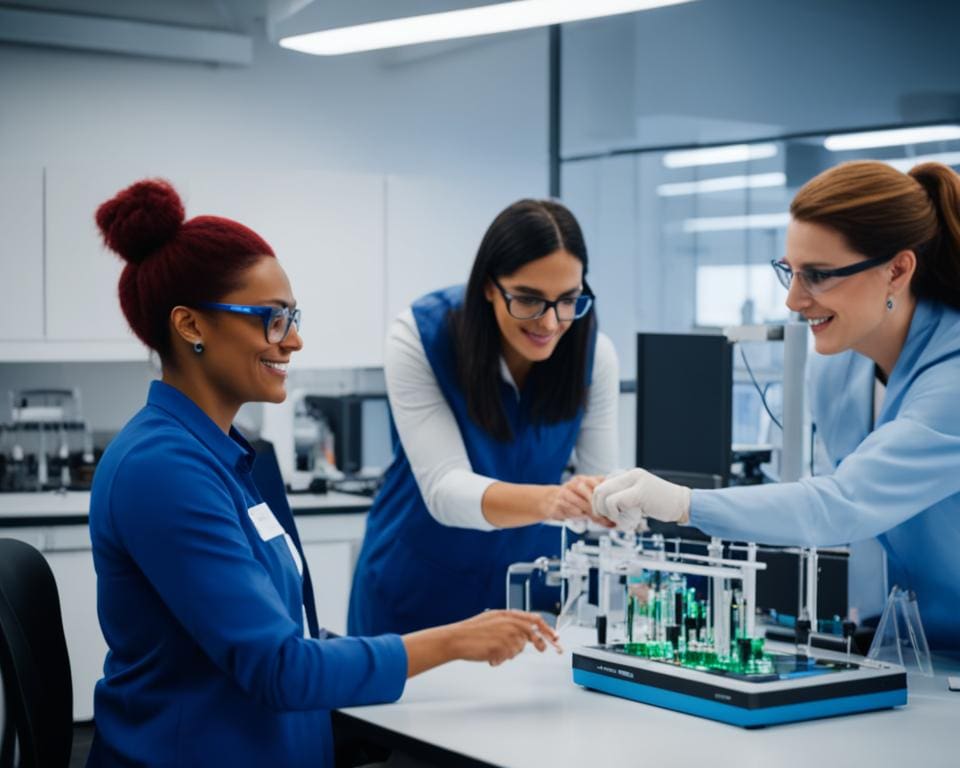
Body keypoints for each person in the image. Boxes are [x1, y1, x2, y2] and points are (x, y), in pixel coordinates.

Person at [87, 179, 560, 767]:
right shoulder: (161, 470)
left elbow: (293, 639)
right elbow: (281, 668)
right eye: (271, 319)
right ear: (190, 326)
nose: (294, 340)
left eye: (292, 317)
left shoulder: (227, 458)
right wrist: (451, 641)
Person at [593, 160, 960, 652]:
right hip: (912, 646)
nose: (793, 300)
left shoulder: (952, 380)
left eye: (819, 276)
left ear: (897, 270)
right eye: (790, 271)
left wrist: (684, 504)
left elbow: (844, 502)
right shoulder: (834, 368)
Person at [348, 199, 619, 636]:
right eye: (529, 299)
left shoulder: (594, 352)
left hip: (528, 593)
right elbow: (445, 490)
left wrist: (610, 507)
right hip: (418, 592)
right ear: (489, 285)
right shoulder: (421, 334)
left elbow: (602, 484)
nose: (550, 322)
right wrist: (554, 500)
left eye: (568, 300)